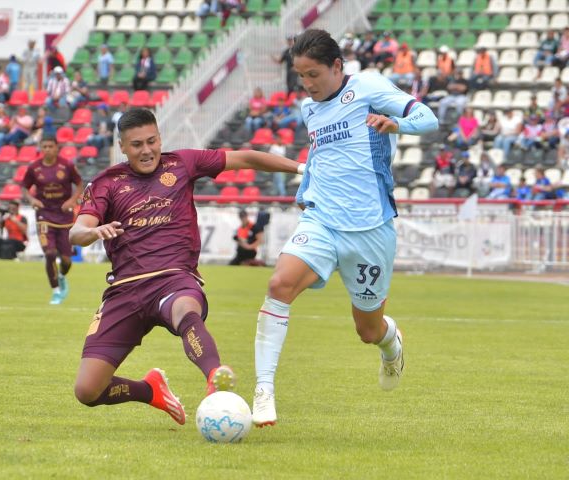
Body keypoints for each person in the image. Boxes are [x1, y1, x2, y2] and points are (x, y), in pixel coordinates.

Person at [68, 108, 303, 425]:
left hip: (174, 280)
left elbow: (246, 158)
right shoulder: (106, 183)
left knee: (185, 311)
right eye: (137, 144)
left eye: (152, 141)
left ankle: (215, 379)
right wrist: (92, 232)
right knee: (87, 390)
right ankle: (150, 390)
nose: (147, 150)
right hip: (124, 290)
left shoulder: (182, 163)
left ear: (160, 138)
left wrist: (302, 168)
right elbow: (76, 231)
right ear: (122, 146)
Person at [251, 29, 438, 427]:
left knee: (367, 329)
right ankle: (264, 389)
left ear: (337, 66)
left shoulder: (369, 85)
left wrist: (396, 125)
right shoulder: (310, 108)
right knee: (279, 285)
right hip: (322, 220)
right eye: (301, 76)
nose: (307, 84)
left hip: (370, 228)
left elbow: (428, 118)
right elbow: (322, 152)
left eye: (314, 74)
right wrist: (306, 186)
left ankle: (391, 343)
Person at [22, 135, 83, 305]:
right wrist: (32, 200)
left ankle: (61, 276)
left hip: (64, 215)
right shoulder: (34, 168)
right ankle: (56, 291)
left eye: (50, 146)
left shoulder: (67, 165)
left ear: (57, 147)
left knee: (66, 260)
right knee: (49, 253)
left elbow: (79, 184)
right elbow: (25, 188)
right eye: (44, 146)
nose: (47, 149)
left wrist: (72, 201)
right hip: (44, 215)